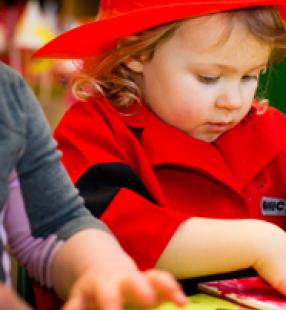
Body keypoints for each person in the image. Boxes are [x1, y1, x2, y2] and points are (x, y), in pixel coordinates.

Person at [35, 0, 286, 305]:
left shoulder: (262, 126)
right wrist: (259, 242)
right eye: (209, 78)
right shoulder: (94, 130)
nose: (233, 101)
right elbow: (105, 238)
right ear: (138, 53)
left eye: (250, 76)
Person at [0, 62, 187, 309]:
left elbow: (55, 224)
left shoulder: (9, 94)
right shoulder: (94, 126)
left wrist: (106, 270)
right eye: (208, 77)